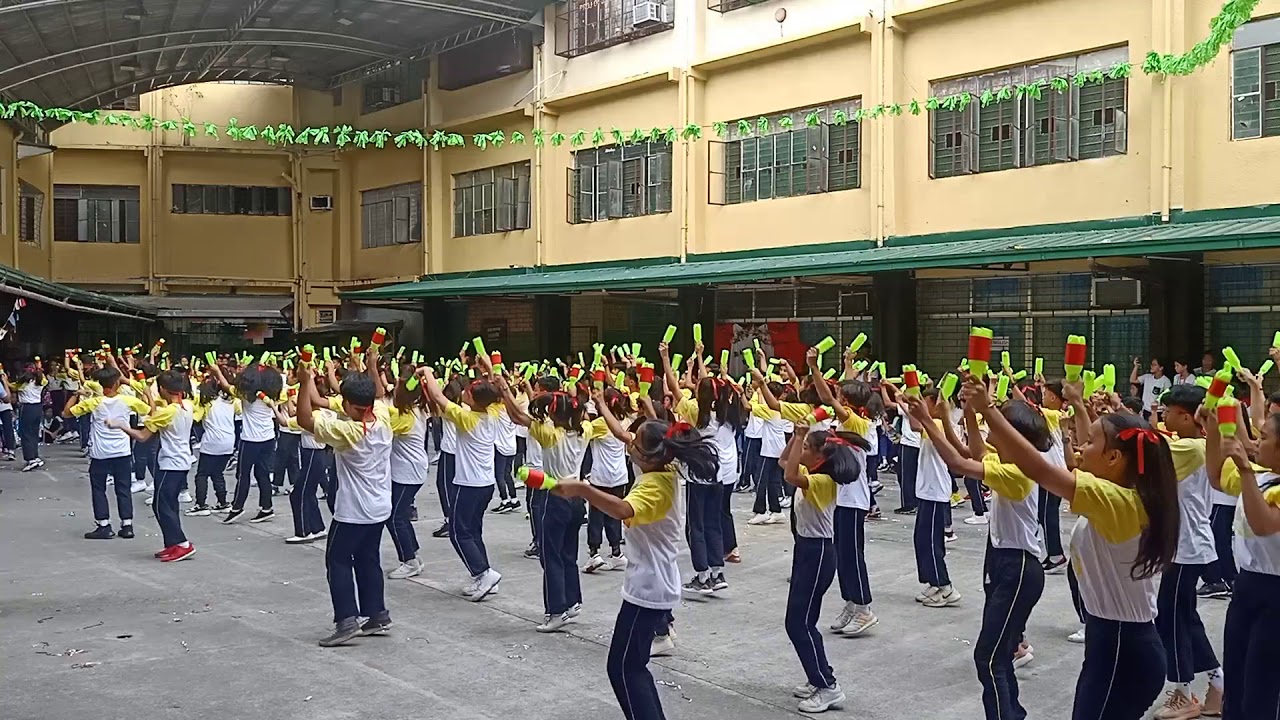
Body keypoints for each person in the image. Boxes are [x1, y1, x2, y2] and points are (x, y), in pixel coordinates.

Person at [975, 376, 1179, 720]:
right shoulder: (1120, 490)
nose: (1080, 447)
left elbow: (1039, 468)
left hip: (1121, 648)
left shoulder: (1118, 503)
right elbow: (1091, 449)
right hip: (1112, 642)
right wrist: (1080, 404)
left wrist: (989, 410)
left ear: (1114, 457)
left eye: (1089, 443)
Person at [551, 418, 715, 720]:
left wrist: (583, 490)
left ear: (649, 455)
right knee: (629, 666)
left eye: (634, 444)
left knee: (625, 667)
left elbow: (623, 509)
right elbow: (636, 440)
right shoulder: (660, 468)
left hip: (650, 588)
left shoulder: (655, 484)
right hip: (650, 584)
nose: (629, 447)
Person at [908, 389, 1050, 720]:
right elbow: (970, 451)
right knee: (1000, 655)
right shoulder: (1008, 461)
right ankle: (1012, 712)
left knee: (989, 658)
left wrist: (929, 421)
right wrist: (963, 412)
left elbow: (958, 463)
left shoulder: (1017, 473)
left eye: (996, 426)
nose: (990, 429)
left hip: (1019, 569)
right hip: (1004, 562)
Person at [296, 345, 393, 647]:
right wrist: (370, 363)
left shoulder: (350, 432)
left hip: (353, 510)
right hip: (379, 507)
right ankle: (376, 613)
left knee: (337, 560)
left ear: (351, 405)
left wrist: (302, 382)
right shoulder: (382, 416)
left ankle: (346, 620)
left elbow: (305, 419)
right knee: (368, 559)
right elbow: (373, 393)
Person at [780, 425, 870, 713]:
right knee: (803, 620)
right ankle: (816, 676)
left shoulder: (821, 480)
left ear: (819, 456)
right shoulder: (814, 475)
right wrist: (796, 438)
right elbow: (785, 462)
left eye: (807, 447)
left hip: (817, 553)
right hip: (807, 550)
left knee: (798, 622)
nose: (802, 451)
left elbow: (789, 474)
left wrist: (799, 435)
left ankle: (827, 685)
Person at [499, 376, 596, 632]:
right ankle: (572, 601)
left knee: (550, 555)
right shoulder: (584, 430)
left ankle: (556, 610)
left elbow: (519, 418)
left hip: (556, 497)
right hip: (577, 498)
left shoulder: (550, 435)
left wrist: (505, 392)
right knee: (568, 554)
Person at [1152, 385, 1224, 717]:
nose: (1163, 416)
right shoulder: (1192, 444)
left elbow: (1149, 451)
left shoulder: (1193, 446)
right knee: (1185, 616)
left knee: (1171, 617)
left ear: (1187, 415)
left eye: (1168, 411)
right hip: (1181, 545)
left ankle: (1183, 692)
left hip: (1187, 547)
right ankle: (1218, 684)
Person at [1205, 408, 1280, 720]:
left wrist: (1246, 470)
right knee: (1235, 674)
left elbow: (1264, 523)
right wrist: (1211, 427)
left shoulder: (1259, 479)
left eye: (1263, 438)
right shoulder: (1263, 477)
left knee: (1261, 683)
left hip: (1275, 591)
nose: (1255, 443)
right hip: (1247, 584)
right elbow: (1215, 476)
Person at [421, 355, 503, 601]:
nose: (465, 392)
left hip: (469, 485)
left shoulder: (466, 418)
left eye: (469, 391)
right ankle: (483, 575)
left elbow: (438, 397)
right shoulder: (494, 413)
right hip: (486, 484)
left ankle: (483, 572)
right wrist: (487, 369)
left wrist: (427, 372)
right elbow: (495, 389)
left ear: (474, 399)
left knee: (458, 532)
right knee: (473, 530)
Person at [109, 370, 197, 562]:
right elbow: (158, 414)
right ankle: (172, 543)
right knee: (169, 503)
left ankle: (182, 543)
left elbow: (142, 436)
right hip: (182, 460)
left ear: (163, 389)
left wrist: (120, 425)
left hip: (170, 462)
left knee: (161, 504)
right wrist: (148, 395)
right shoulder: (188, 406)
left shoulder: (167, 412)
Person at [68, 365, 151, 540]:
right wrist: (148, 393)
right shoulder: (128, 401)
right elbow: (148, 410)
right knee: (123, 488)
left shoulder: (94, 402)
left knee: (99, 488)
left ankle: (104, 525)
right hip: (122, 451)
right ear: (117, 383)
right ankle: (127, 525)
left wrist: (76, 395)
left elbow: (67, 413)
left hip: (100, 453)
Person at [209, 361, 280, 524]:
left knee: (243, 474)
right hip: (268, 438)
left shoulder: (247, 396)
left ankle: (237, 507)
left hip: (251, 441)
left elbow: (227, 387)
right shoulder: (273, 394)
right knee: (262, 474)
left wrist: (217, 371)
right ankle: (267, 507)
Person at [384, 364, 431, 579]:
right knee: (399, 515)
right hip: (411, 470)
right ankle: (414, 556)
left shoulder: (404, 418)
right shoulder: (417, 408)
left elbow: (381, 426)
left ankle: (409, 560)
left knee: (395, 518)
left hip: (407, 473)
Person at [582, 387, 634, 573]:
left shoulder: (602, 423)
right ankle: (616, 552)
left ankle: (594, 553)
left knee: (596, 515)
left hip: (601, 476)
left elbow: (583, 431)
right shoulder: (625, 420)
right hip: (620, 476)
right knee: (614, 514)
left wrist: (587, 414)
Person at [188, 375, 237, 516]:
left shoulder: (206, 404)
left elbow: (195, 418)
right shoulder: (230, 402)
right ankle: (222, 502)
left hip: (211, 443)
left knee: (202, 475)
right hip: (229, 442)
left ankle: (201, 504)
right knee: (217, 473)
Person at [12, 360, 47, 471]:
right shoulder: (40, 381)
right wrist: (39, 368)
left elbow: (12, 387)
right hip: (37, 407)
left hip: (27, 408)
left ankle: (30, 459)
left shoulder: (24, 384)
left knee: (25, 433)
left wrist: (3, 378)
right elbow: (44, 378)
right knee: (34, 433)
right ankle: (35, 456)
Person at [1130, 357, 1172, 421]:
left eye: (1154, 365)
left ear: (1161, 368)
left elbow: (1168, 397)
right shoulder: (1147, 377)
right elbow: (1132, 380)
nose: (1151, 366)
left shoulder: (1166, 381)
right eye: (1151, 364)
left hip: (1157, 412)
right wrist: (1136, 366)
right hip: (1145, 410)